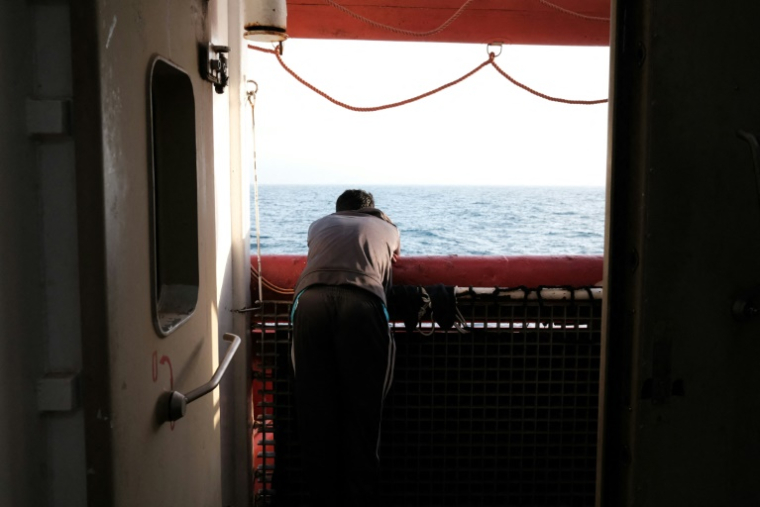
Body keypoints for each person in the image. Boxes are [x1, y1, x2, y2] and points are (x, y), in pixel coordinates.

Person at [290, 189, 401, 507]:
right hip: (363, 302)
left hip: (309, 301)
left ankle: (320, 497)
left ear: (338, 210)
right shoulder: (388, 228)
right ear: (373, 211)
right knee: (364, 415)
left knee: (314, 412)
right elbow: (394, 259)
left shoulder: (318, 224)